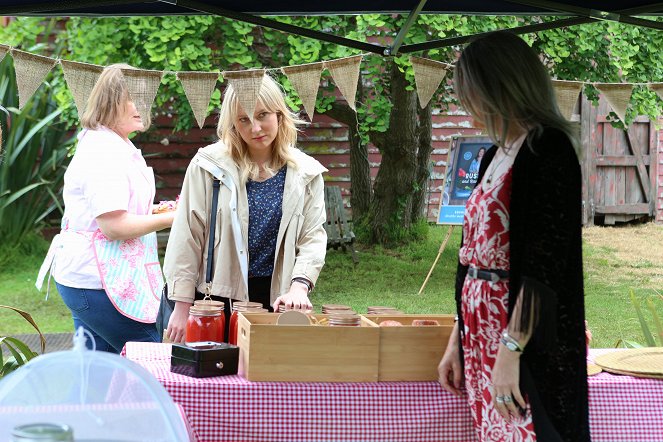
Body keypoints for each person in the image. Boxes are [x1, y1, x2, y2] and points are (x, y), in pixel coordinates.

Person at [437, 31, 589, 442]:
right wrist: (460, 341)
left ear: (498, 86)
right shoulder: (494, 152)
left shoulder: (547, 149)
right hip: (482, 335)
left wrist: (511, 353)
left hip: (524, 342)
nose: (465, 101)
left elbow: (546, 268)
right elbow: (472, 260)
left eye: (469, 91)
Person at [163, 74, 327, 344]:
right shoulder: (207, 166)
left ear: (279, 114)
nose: (255, 128)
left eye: (262, 114)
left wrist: (300, 286)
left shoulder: (306, 173)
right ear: (233, 124)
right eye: (243, 119)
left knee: (268, 376)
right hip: (213, 300)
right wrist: (182, 308)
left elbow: (313, 236)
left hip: (277, 297)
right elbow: (186, 236)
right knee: (211, 379)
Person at [36, 64, 175, 353]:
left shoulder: (116, 143)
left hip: (98, 279)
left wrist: (157, 211)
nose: (144, 106)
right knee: (154, 359)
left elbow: (117, 208)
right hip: (98, 283)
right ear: (111, 101)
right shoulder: (103, 152)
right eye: (135, 98)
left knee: (99, 375)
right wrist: (175, 218)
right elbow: (114, 227)